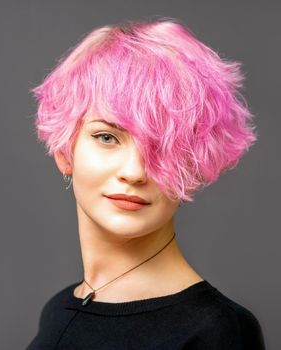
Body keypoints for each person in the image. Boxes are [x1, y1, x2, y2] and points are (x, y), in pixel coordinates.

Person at [26, 18, 266, 349]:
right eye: (107, 137)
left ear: (195, 162)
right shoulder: (57, 310)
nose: (136, 171)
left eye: (162, 145)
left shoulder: (218, 331)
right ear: (65, 152)